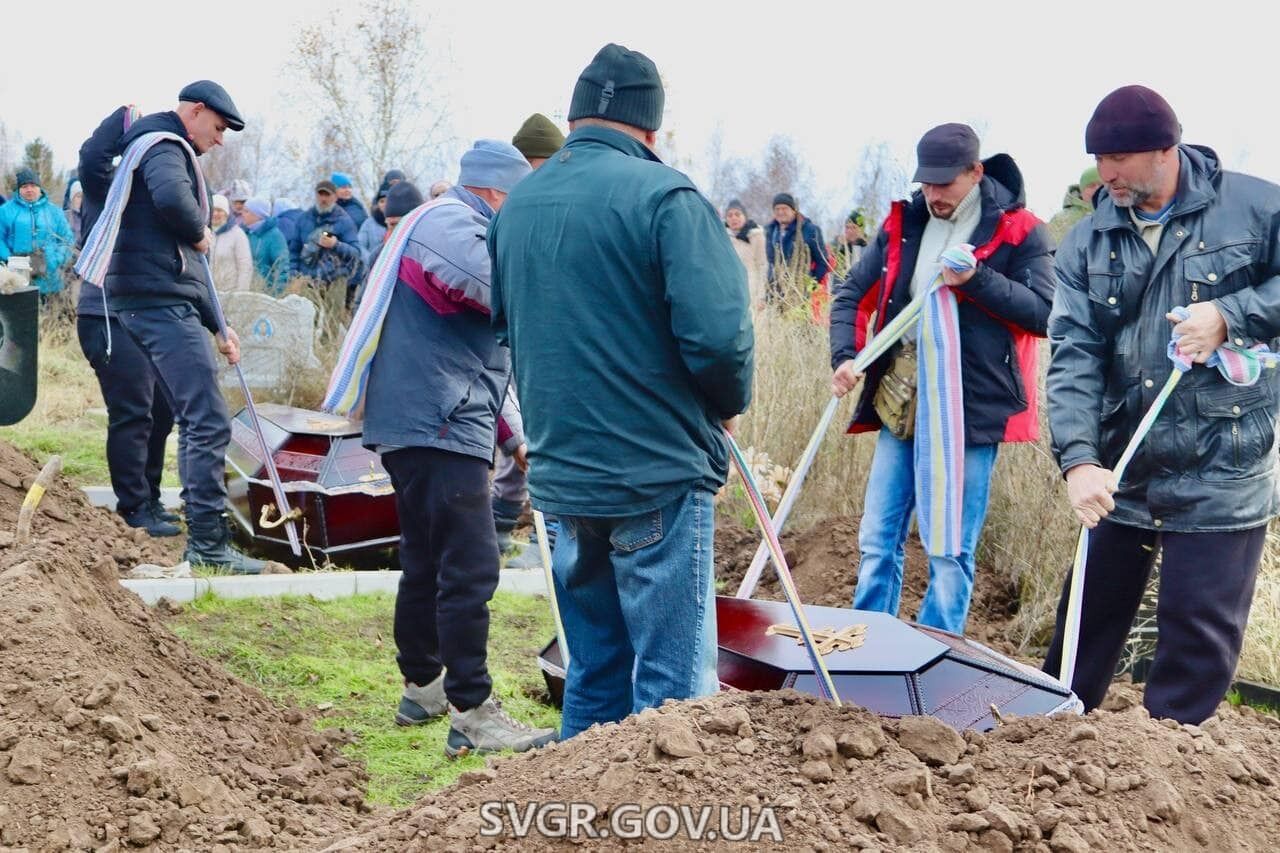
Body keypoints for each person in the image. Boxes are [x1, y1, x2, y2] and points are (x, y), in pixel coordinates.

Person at [489, 43, 754, 739]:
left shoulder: (515, 209)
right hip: (655, 473)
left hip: (562, 478)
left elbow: (510, 326)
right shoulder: (667, 197)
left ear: (573, 119)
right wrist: (727, 403)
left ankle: (582, 827)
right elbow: (720, 340)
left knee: (595, 670)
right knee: (671, 689)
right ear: (651, 130)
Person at [1043, 85, 1280, 725]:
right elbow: (1072, 358)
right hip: (1125, 466)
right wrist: (1078, 461)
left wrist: (1231, 317)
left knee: (1195, 647)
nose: (1107, 171)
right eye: (1099, 157)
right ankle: (1043, 761)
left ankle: (1167, 789)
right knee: (1076, 640)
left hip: (1223, 465)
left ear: (1166, 149)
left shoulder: (1256, 207)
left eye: (1120, 157)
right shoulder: (1088, 242)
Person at [360, 139, 554, 756]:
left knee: (427, 560)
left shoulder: (457, 224)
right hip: (438, 424)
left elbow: (478, 358)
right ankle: (472, 710)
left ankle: (423, 686)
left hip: (429, 419)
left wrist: (515, 437)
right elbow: (497, 292)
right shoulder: (452, 223)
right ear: (499, 192)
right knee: (470, 566)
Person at [829, 122, 1053, 635]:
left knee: (950, 546)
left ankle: (937, 649)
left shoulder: (1021, 231)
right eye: (925, 183)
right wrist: (846, 355)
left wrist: (977, 279)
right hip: (900, 399)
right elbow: (849, 295)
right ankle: (866, 643)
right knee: (877, 535)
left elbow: (1043, 314)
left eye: (944, 184)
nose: (933, 195)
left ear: (975, 172)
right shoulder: (903, 224)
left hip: (969, 409)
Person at [92, 80, 265, 573]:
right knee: (207, 418)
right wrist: (200, 229)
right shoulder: (165, 145)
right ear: (194, 111)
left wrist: (219, 326)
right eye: (218, 126)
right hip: (156, 302)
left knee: (188, 414)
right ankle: (208, 545)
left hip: (157, 298)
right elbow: (174, 206)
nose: (221, 139)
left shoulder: (158, 145)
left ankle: (206, 529)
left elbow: (187, 266)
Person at [74, 104, 179, 538]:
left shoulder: (152, 191)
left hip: (144, 316)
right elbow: (92, 156)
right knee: (134, 411)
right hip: (106, 315)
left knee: (163, 409)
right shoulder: (108, 185)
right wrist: (125, 118)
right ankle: (133, 507)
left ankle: (149, 496)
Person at [490, 113, 566, 570]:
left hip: (555, 345)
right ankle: (503, 531)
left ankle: (551, 540)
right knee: (519, 440)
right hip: (515, 338)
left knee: (547, 442)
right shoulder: (513, 211)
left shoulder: (564, 204)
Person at [0, 168, 75, 299]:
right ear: (19, 189)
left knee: (50, 316)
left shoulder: (54, 212)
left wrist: (55, 260)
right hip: (15, 280)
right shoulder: (5, 211)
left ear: (39, 187)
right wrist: (10, 259)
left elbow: (67, 239)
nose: (29, 189)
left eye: (33, 185)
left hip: (50, 280)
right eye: (24, 186)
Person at [766, 192, 831, 317]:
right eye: (777, 209)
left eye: (784, 208)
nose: (780, 212)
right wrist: (768, 293)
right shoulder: (771, 231)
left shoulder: (809, 230)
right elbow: (771, 264)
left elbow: (823, 262)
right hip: (777, 294)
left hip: (801, 295)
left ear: (794, 210)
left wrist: (809, 286)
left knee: (800, 330)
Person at [291, 179, 361, 289]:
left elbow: (356, 253)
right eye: (320, 194)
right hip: (306, 282)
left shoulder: (344, 221)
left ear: (335, 197)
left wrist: (336, 245)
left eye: (327, 195)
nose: (323, 199)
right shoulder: (303, 219)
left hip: (333, 284)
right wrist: (294, 276)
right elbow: (293, 251)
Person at [241, 197, 289, 294]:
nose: (242, 214)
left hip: (264, 291)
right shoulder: (245, 233)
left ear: (257, 215)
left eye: (246, 211)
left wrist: (275, 294)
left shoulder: (275, 236)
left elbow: (282, 267)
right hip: (245, 290)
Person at [724, 199, 767, 308]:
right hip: (728, 290)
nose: (733, 218)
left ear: (745, 217)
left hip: (751, 288)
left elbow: (762, 265)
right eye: (729, 215)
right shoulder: (722, 236)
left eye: (737, 214)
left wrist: (762, 296)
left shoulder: (756, 235)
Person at [1048, 166, 1104, 246]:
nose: (1097, 189)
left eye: (1101, 185)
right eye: (1091, 186)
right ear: (1081, 191)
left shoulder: (1117, 214)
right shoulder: (1061, 219)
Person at [209, 194, 251, 292]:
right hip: (209, 293)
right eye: (213, 210)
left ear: (226, 213)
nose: (215, 214)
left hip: (230, 292)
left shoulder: (237, 234)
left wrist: (241, 293)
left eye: (219, 210)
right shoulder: (205, 233)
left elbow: (245, 267)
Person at [357, 187, 387, 269]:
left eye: (388, 201)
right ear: (377, 204)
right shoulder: (369, 223)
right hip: (373, 268)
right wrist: (370, 261)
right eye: (382, 201)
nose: (385, 204)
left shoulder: (400, 221)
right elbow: (360, 246)